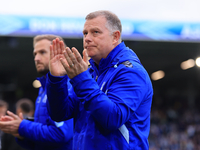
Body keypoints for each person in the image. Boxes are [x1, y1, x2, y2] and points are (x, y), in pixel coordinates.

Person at [46, 10, 153, 149]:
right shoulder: (90, 72)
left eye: (95, 32)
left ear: (115, 37)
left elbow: (113, 118)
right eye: (85, 33)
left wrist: (81, 78)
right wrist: (57, 80)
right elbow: (60, 113)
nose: (87, 38)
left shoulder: (131, 72)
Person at [0, 34, 73, 150]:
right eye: (35, 54)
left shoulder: (67, 87)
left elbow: (61, 134)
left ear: (60, 54)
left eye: (42, 52)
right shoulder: (43, 88)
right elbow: (41, 142)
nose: (36, 58)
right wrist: (21, 134)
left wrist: (23, 126)